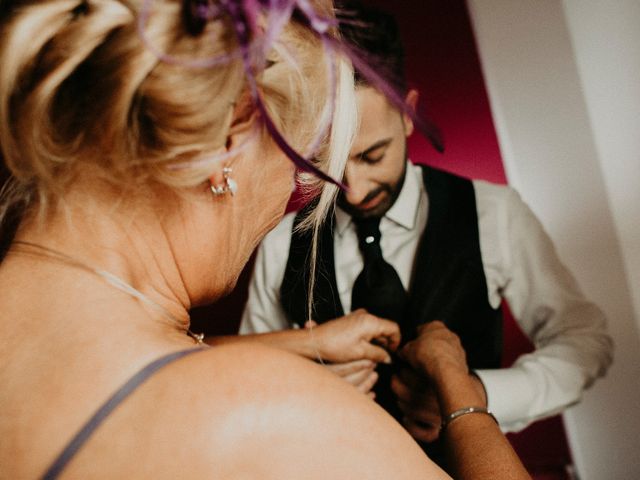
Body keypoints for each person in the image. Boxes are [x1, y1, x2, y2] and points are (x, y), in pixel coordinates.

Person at [0, 1, 532, 479]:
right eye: (305, 159)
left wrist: (307, 343)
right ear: (230, 141)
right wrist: (461, 393)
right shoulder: (270, 413)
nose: (296, 192)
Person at [239, 0, 613, 452]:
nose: (353, 190)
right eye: (328, 164)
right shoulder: (281, 245)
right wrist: (308, 385)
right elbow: (248, 380)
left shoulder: (493, 213)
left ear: (407, 114)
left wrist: (475, 395)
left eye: (372, 156)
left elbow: (585, 343)